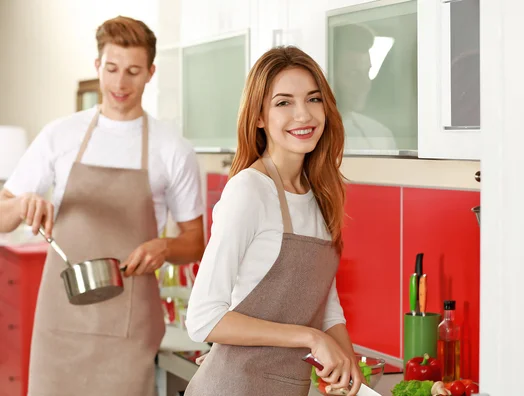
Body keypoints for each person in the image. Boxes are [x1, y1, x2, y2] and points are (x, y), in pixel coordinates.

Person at [0, 16, 205, 395]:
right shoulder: (59, 135)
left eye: (132, 71)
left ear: (150, 73)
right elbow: (2, 215)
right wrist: (23, 203)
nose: (120, 83)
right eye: (111, 69)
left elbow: (195, 241)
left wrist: (166, 247)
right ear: (98, 66)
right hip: (59, 326)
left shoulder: (171, 148)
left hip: (130, 330)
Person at [183, 46, 363, 396]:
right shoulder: (249, 191)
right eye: (284, 102)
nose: (303, 114)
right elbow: (203, 318)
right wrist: (311, 338)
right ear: (260, 117)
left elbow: (326, 307)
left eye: (313, 99)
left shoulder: (320, 196)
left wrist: (347, 361)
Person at [332, 24, 398, 151]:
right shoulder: (307, 138)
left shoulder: (380, 136)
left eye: (367, 72)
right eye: (353, 74)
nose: (365, 85)